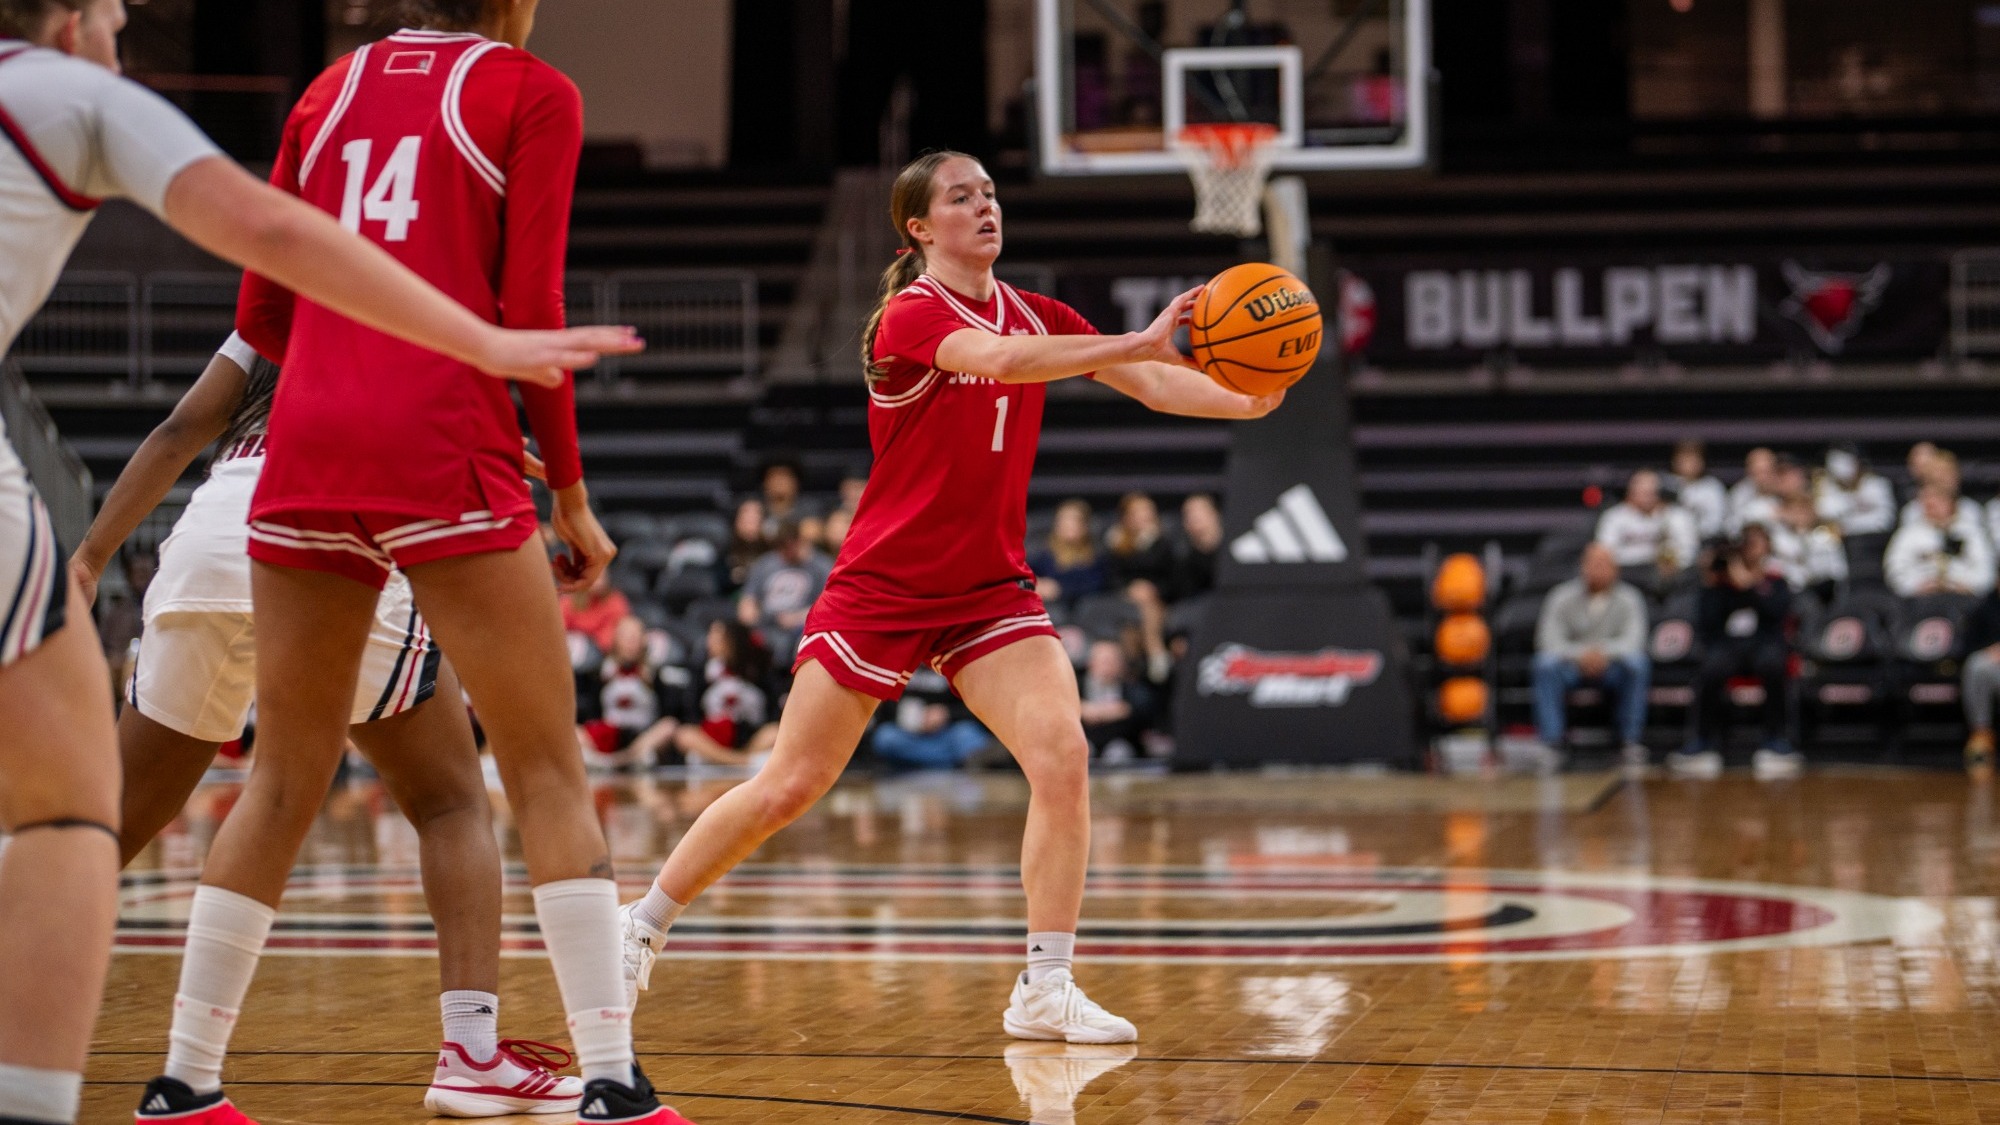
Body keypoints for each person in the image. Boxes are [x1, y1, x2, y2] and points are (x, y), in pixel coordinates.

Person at [0, 1, 634, 1122]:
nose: (120, 22)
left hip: (266, 481)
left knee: (138, 808)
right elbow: (493, 298)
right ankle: (592, 1081)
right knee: (501, 781)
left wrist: (95, 552)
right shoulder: (529, 90)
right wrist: (548, 452)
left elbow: (256, 323)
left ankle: (183, 1080)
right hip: (428, 441)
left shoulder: (323, 94)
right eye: (103, 10)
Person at [612, 150, 1281, 1044]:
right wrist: (1136, 338)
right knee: (792, 782)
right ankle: (642, 921)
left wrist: (1248, 400)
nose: (985, 206)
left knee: (1063, 756)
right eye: (961, 197)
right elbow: (1001, 362)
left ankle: (1045, 985)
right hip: (884, 584)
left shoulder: (1038, 310)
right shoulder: (912, 313)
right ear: (920, 228)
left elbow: (1153, 382)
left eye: (991, 192)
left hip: (987, 586)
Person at [70, 338, 583, 1115]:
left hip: (210, 536)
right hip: (334, 524)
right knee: (448, 799)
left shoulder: (277, 289)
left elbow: (179, 430)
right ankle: (471, 1049)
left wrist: (90, 556)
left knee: (112, 819)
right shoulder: (413, 283)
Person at [1675, 526, 1797, 779]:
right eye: (1746, 544)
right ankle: (1704, 740)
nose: (1750, 549)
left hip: (1764, 643)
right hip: (1729, 645)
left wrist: (1750, 585)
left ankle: (1775, 738)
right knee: (1710, 669)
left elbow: (1777, 613)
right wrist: (1712, 581)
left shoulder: (1775, 580)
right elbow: (1707, 622)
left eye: (1757, 544)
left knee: (1774, 666)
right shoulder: (1720, 582)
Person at [1531, 543, 1651, 768]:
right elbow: (1548, 641)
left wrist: (1602, 654)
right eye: (1592, 563)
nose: (1598, 569)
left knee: (1637, 664)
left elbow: (1634, 641)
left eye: (1604, 564)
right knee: (1544, 664)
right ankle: (1552, 742)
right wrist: (1582, 655)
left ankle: (1628, 741)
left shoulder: (1630, 598)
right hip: (1572, 667)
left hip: (1612, 666)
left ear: (1616, 569)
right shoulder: (1561, 597)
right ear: (1582, 567)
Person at [738, 518, 832, 665]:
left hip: (799, 628)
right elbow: (748, 600)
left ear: (799, 541)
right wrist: (749, 610)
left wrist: (798, 617)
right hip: (766, 623)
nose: (785, 552)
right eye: (780, 547)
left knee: (792, 643)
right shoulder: (765, 563)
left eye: (788, 546)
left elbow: (828, 605)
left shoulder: (820, 566)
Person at [871, 665, 996, 770]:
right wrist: (908, 717)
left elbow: (976, 709)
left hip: (947, 734)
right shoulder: (900, 667)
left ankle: (920, 762)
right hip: (910, 736)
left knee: (968, 735)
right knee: (885, 736)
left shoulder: (955, 666)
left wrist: (947, 713)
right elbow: (885, 711)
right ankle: (948, 763)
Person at [1885, 485, 1996, 598]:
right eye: (1927, 502)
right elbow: (1896, 570)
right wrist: (1917, 586)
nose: (1930, 506)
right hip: (1920, 598)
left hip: (1965, 597)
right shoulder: (1907, 534)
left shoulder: (1972, 532)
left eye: (1937, 501)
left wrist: (1964, 585)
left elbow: (1986, 570)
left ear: (1952, 503)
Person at [1594, 469, 1698, 577]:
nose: (1647, 498)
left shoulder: (1673, 515)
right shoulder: (1614, 516)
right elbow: (1605, 553)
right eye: (1642, 492)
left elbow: (1688, 550)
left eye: (1651, 492)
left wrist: (1675, 563)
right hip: (1625, 573)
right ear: (1630, 492)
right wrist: (1644, 557)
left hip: (1664, 574)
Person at [1077, 639, 1155, 764]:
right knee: (1081, 751)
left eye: (1112, 661)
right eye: (1104, 661)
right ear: (1091, 663)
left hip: (1119, 743)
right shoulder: (1077, 686)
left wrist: (1095, 711)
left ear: (1120, 664)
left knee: (1118, 752)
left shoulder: (1132, 688)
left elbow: (1142, 710)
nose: (1108, 666)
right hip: (1086, 741)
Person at [1027, 498, 1107, 609]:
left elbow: (1097, 587)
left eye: (1075, 520)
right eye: (1064, 520)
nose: (1068, 525)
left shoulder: (1096, 556)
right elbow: (1024, 576)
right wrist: (1036, 583)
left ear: (1085, 525)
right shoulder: (1042, 554)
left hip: (1084, 612)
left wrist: (1060, 589)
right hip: (1050, 610)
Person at [1769, 495, 1848, 598]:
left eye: (1804, 511)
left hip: (1826, 587)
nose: (1801, 516)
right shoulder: (1781, 538)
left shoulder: (1825, 534)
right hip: (1792, 591)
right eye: (1795, 512)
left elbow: (1837, 569)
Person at [1958, 587, 2000, 776]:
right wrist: (1990, 652)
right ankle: (1981, 735)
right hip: (1993, 670)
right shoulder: (1984, 608)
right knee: (1976, 665)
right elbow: (1966, 647)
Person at [1815, 444, 1895, 536]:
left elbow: (1884, 521)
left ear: (1857, 464)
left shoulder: (1876, 485)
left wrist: (1847, 525)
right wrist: (1855, 505)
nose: (1842, 471)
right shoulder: (1825, 484)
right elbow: (1824, 511)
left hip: (1873, 540)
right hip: (1839, 543)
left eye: (1846, 464)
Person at [1665, 439, 1728, 540]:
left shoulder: (1712, 487)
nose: (1689, 464)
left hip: (1706, 541)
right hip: (1673, 542)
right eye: (1684, 458)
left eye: (1694, 458)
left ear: (1702, 462)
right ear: (1674, 461)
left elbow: (1717, 521)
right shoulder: (1667, 484)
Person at [562, 566, 631, 654]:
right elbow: (558, 631)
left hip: (604, 652)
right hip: (575, 650)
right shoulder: (569, 602)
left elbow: (611, 639)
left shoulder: (616, 601)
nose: (599, 582)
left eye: (602, 576)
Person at [1172, 493, 1223, 601]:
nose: (1194, 518)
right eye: (1188, 514)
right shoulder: (1183, 558)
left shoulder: (1237, 551)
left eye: (1200, 512)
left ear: (1215, 514)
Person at [1727, 447, 1778, 529]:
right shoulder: (1739, 493)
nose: (1762, 477)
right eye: (1757, 472)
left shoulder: (1785, 490)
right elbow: (1733, 527)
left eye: (1765, 471)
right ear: (1749, 471)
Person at [723, 496, 767, 590]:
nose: (750, 523)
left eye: (755, 518)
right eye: (746, 519)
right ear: (736, 522)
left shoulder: (773, 551)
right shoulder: (724, 551)